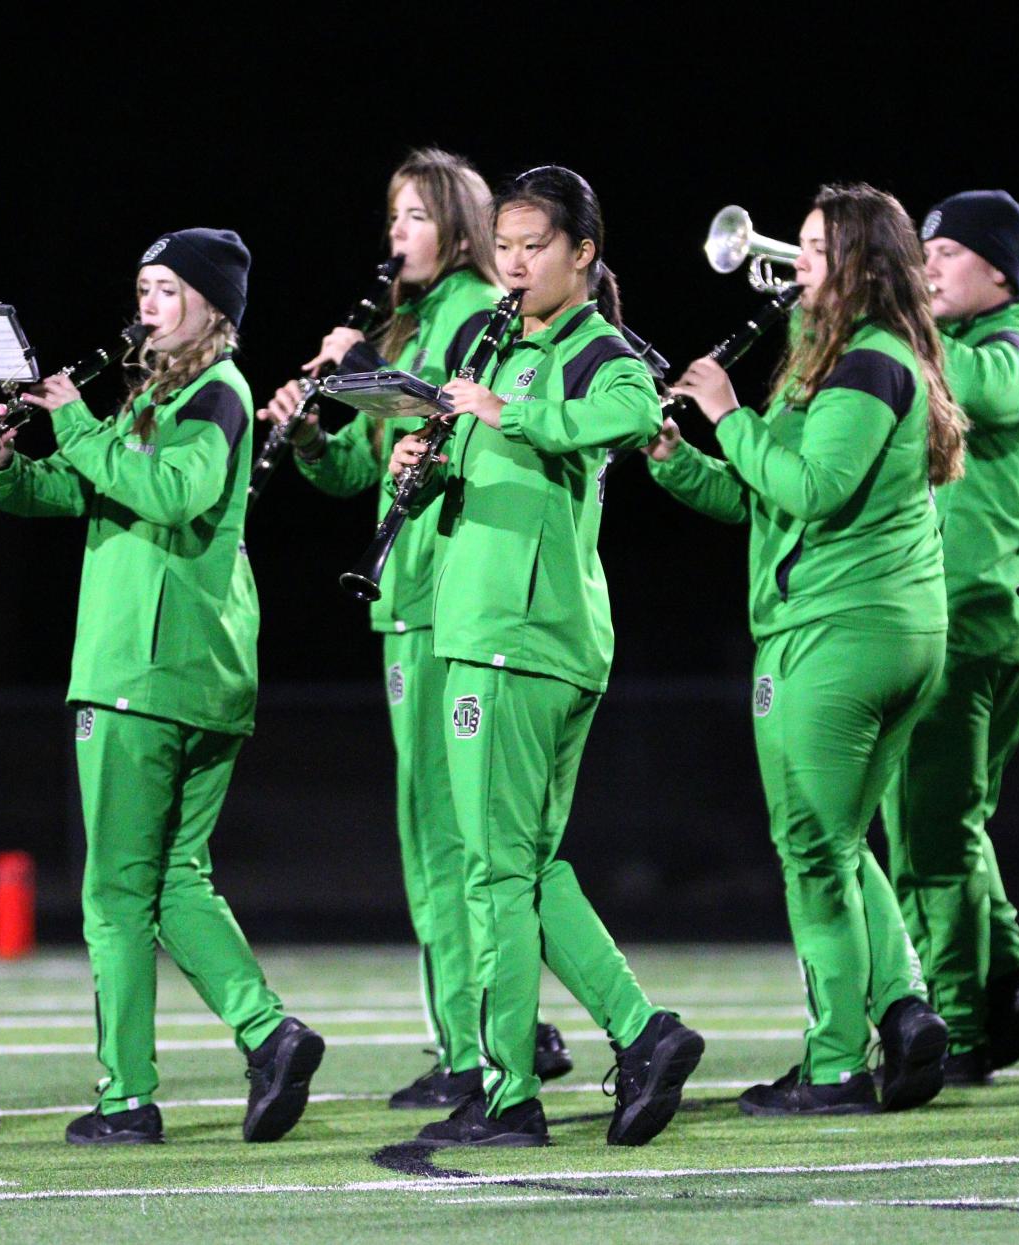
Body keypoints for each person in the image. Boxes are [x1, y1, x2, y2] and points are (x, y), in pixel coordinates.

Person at [0, 228, 323, 1145]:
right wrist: (4, 462)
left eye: (168, 290)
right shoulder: (156, 396)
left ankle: (126, 1097)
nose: (148, 306)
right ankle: (268, 1030)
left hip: (149, 670)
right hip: (192, 672)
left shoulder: (218, 392)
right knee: (172, 878)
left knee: (115, 895)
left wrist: (78, 423)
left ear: (213, 307)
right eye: (142, 288)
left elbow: (172, 491)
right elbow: (76, 491)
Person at [388, 166, 704, 1148]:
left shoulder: (591, 350)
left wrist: (502, 415)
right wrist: (426, 464)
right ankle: (644, 1031)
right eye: (507, 246)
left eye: (537, 247)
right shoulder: (499, 344)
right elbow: (491, 472)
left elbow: (635, 409)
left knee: (493, 871)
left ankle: (512, 1093)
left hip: (518, 639)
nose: (517, 264)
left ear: (582, 256)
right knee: (522, 865)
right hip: (504, 632)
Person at [259, 150, 572, 1109]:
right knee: (428, 837)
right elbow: (367, 470)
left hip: (455, 597)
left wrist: (361, 367)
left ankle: (485, 1045)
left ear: (456, 223)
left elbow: (450, 422)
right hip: (408, 598)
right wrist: (314, 431)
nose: (394, 236)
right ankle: (475, 1036)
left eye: (411, 217)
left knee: (456, 839)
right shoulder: (414, 317)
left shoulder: (481, 309)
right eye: (391, 218)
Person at [650, 183, 959, 1115]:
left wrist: (726, 410)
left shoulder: (866, 362)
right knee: (840, 836)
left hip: (837, 634)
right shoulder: (851, 357)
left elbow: (815, 488)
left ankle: (831, 1062)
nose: (793, 262)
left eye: (817, 248)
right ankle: (904, 1009)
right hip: (882, 629)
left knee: (810, 851)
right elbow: (766, 500)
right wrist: (679, 463)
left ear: (863, 265)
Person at [880, 189, 1019, 1085]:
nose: (926, 270)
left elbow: (979, 393)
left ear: (997, 269)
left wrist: (887, 311)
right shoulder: (977, 335)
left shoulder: (1014, 344)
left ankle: (957, 1022)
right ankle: (1008, 973)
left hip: (969, 621)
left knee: (928, 836)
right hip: (988, 622)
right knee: (958, 821)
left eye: (942, 254)